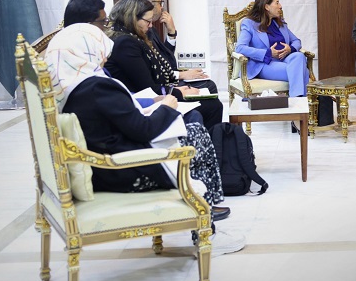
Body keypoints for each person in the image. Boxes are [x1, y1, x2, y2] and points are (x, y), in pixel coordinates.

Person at [44, 23, 232, 220]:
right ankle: (202, 207)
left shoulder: (70, 88)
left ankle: (201, 202)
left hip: (102, 165)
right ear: (87, 52)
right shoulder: (97, 87)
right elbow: (144, 130)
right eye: (100, 50)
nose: (105, 57)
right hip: (123, 169)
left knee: (192, 125)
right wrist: (167, 107)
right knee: (195, 134)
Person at [104, 0, 224, 130]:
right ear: (132, 18)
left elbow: (164, 62)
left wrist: (177, 89)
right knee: (213, 106)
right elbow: (147, 87)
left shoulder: (131, 36)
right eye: (148, 21)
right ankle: (205, 143)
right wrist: (179, 92)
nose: (150, 26)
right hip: (142, 101)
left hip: (152, 94)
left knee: (210, 98)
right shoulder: (125, 43)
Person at [235, 0, 334, 126]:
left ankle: (296, 110)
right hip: (264, 64)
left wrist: (290, 49)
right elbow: (240, 48)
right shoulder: (249, 24)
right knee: (303, 71)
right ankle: (299, 112)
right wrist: (267, 53)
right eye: (277, 3)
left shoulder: (279, 23)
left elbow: (297, 41)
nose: (280, 6)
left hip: (285, 60)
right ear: (266, 6)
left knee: (299, 56)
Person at [134, 0, 215, 93]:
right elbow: (154, 73)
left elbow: (165, 58)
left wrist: (171, 33)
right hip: (160, 86)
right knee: (209, 86)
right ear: (149, 4)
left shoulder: (151, 29)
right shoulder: (138, 33)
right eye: (160, 3)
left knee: (208, 84)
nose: (161, 7)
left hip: (168, 78)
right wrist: (182, 75)